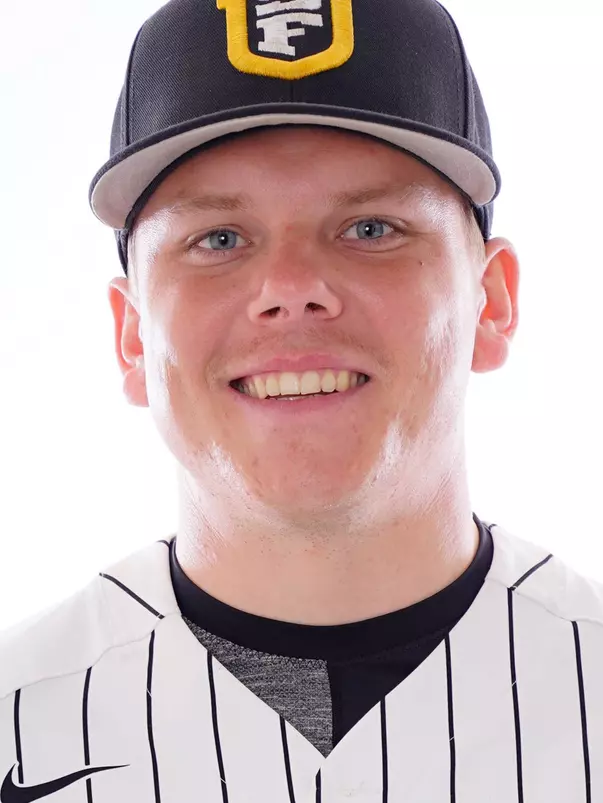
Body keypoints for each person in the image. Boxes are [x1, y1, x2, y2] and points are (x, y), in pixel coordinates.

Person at [1, 0, 601, 801]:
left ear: (491, 301)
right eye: (217, 239)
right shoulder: (18, 718)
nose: (290, 290)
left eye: (370, 228)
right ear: (133, 336)